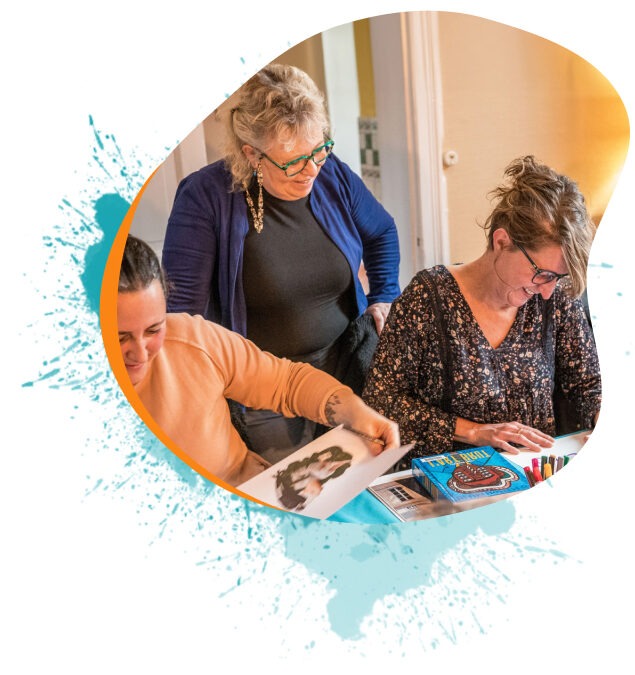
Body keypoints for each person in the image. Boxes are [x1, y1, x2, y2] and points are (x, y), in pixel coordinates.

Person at [161, 63, 400, 461]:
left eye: (319, 151)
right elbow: (179, 317)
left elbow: (382, 231)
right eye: (292, 161)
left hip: (346, 366)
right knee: (291, 497)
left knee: (361, 481)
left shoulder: (331, 175)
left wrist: (385, 295)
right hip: (265, 393)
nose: (311, 171)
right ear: (251, 153)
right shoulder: (205, 197)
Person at [362, 156, 601, 466]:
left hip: (536, 471)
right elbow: (381, 402)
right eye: (542, 273)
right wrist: (473, 432)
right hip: (447, 480)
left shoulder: (556, 298)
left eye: (559, 277)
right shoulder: (428, 297)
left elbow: (588, 385)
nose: (547, 290)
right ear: (501, 242)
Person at [117, 235, 400, 487]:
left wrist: (355, 412)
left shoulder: (192, 338)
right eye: (120, 338)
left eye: (154, 329)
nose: (141, 353)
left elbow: (287, 382)